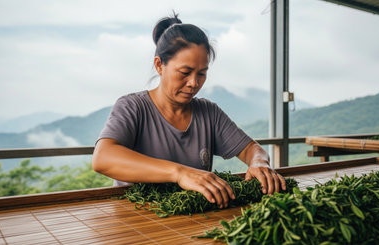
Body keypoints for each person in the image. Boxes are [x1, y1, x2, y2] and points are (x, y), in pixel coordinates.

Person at [92, 13, 286, 209]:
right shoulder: (133, 107)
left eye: (202, 74)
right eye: (185, 73)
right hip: (136, 218)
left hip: (192, 220)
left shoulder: (209, 113)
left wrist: (259, 163)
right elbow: (103, 158)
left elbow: (251, 149)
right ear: (160, 65)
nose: (194, 83)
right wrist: (179, 173)